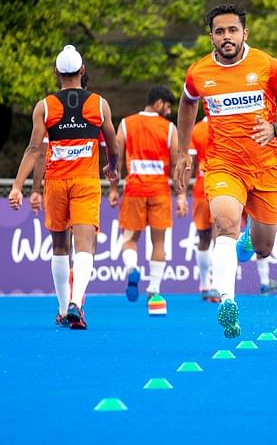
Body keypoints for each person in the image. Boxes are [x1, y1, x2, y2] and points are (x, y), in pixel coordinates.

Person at [173, 3, 277, 338]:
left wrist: (276, 129)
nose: (227, 37)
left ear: (244, 33)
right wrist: (183, 152)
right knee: (224, 223)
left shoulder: (267, 65)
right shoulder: (199, 72)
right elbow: (188, 103)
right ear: (211, 37)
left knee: (263, 247)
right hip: (223, 165)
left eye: (232, 30)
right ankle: (227, 302)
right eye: (220, 32)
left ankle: (248, 242)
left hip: (267, 167)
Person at [8, 44, 119, 329]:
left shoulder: (45, 106)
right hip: (85, 181)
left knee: (59, 246)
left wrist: (18, 187)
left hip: (55, 183)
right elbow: (112, 143)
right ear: (82, 71)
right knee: (84, 246)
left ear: (56, 72)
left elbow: (34, 149)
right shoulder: (98, 104)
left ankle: (61, 308)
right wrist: (114, 166)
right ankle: (77, 303)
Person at [108, 86, 188, 303]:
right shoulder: (170, 129)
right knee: (159, 242)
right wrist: (180, 196)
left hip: (134, 189)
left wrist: (114, 189)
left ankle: (132, 268)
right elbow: (175, 167)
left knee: (130, 239)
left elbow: (115, 160)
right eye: (168, 106)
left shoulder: (126, 123)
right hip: (160, 191)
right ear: (159, 103)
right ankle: (154, 288)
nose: (169, 111)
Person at [188, 115, 220, 302]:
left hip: (201, 189)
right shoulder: (228, 124)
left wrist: (182, 192)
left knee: (204, 238)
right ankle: (216, 284)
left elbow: (189, 163)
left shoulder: (197, 129)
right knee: (220, 236)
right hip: (222, 188)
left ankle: (204, 285)